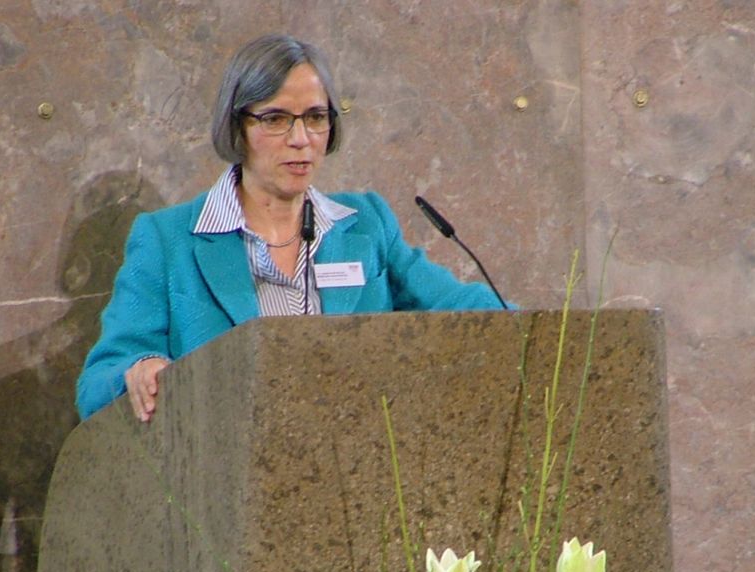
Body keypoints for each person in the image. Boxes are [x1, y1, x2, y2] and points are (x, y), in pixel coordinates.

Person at [76, 33, 507, 422]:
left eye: (316, 117)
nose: (301, 138)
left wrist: (535, 334)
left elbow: (467, 307)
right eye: (276, 118)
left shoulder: (367, 225)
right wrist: (140, 370)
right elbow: (97, 383)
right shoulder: (167, 240)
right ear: (237, 125)